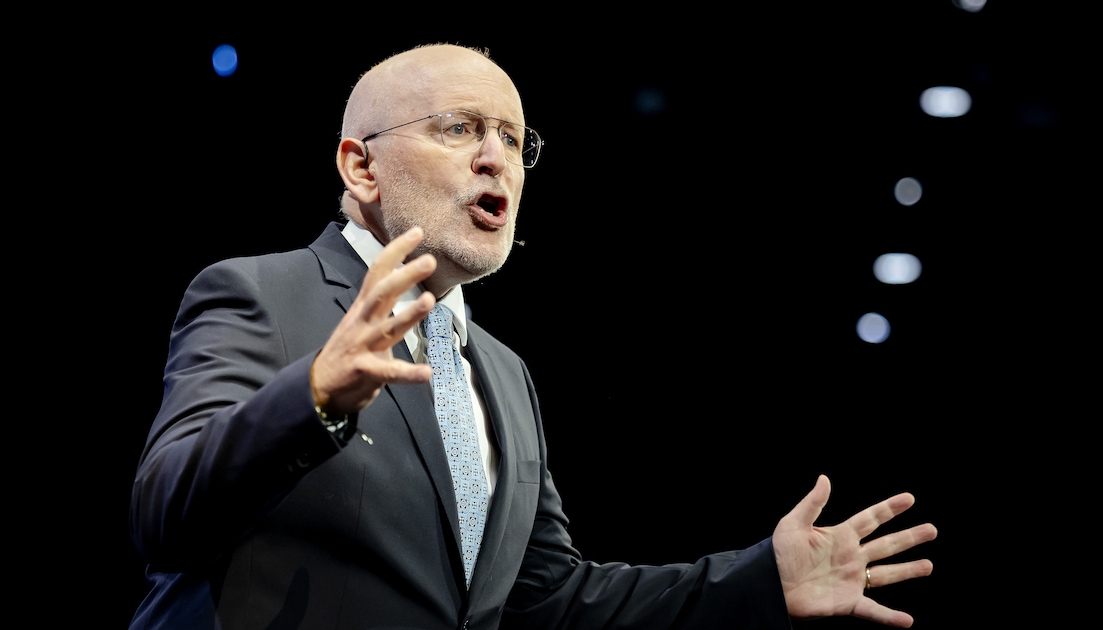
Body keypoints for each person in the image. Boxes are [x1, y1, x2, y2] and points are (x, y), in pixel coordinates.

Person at [128, 43, 938, 630]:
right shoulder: (260, 293)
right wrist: (313, 399)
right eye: (460, 129)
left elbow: (547, 599)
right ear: (361, 168)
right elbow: (164, 518)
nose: (498, 159)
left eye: (516, 141)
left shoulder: (503, 374)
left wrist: (760, 582)